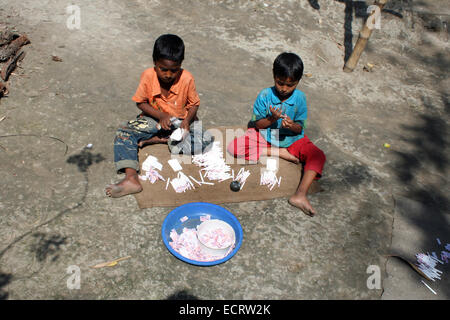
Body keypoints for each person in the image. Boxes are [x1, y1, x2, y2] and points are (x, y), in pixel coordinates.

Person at [106, 34, 211, 198]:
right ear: (155, 62)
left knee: (206, 140)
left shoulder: (187, 78)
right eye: (163, 69)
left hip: (180, 122)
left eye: (173, 70)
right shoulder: (148, 76)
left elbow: (194, 104)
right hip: (153, 119)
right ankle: (131, 177)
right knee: (124, 133)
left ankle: (156, 140)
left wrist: (187, 122)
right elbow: (140, 103)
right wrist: (160, 115)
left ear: (181, 65)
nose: (168, 74)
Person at [227, 52, 326, 216]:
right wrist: (271, 119)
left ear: (298, 82)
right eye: (280, 83)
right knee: (234, 147)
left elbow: (300, 128)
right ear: (274, 76)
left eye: (290, 85)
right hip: (266, 136)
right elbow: (258, 124)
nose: (284, 89)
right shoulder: (265, 95)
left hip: (292, 139)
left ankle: (300, 195)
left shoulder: (300, 99)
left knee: (318, 156)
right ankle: (279, 153)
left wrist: (292, 125)